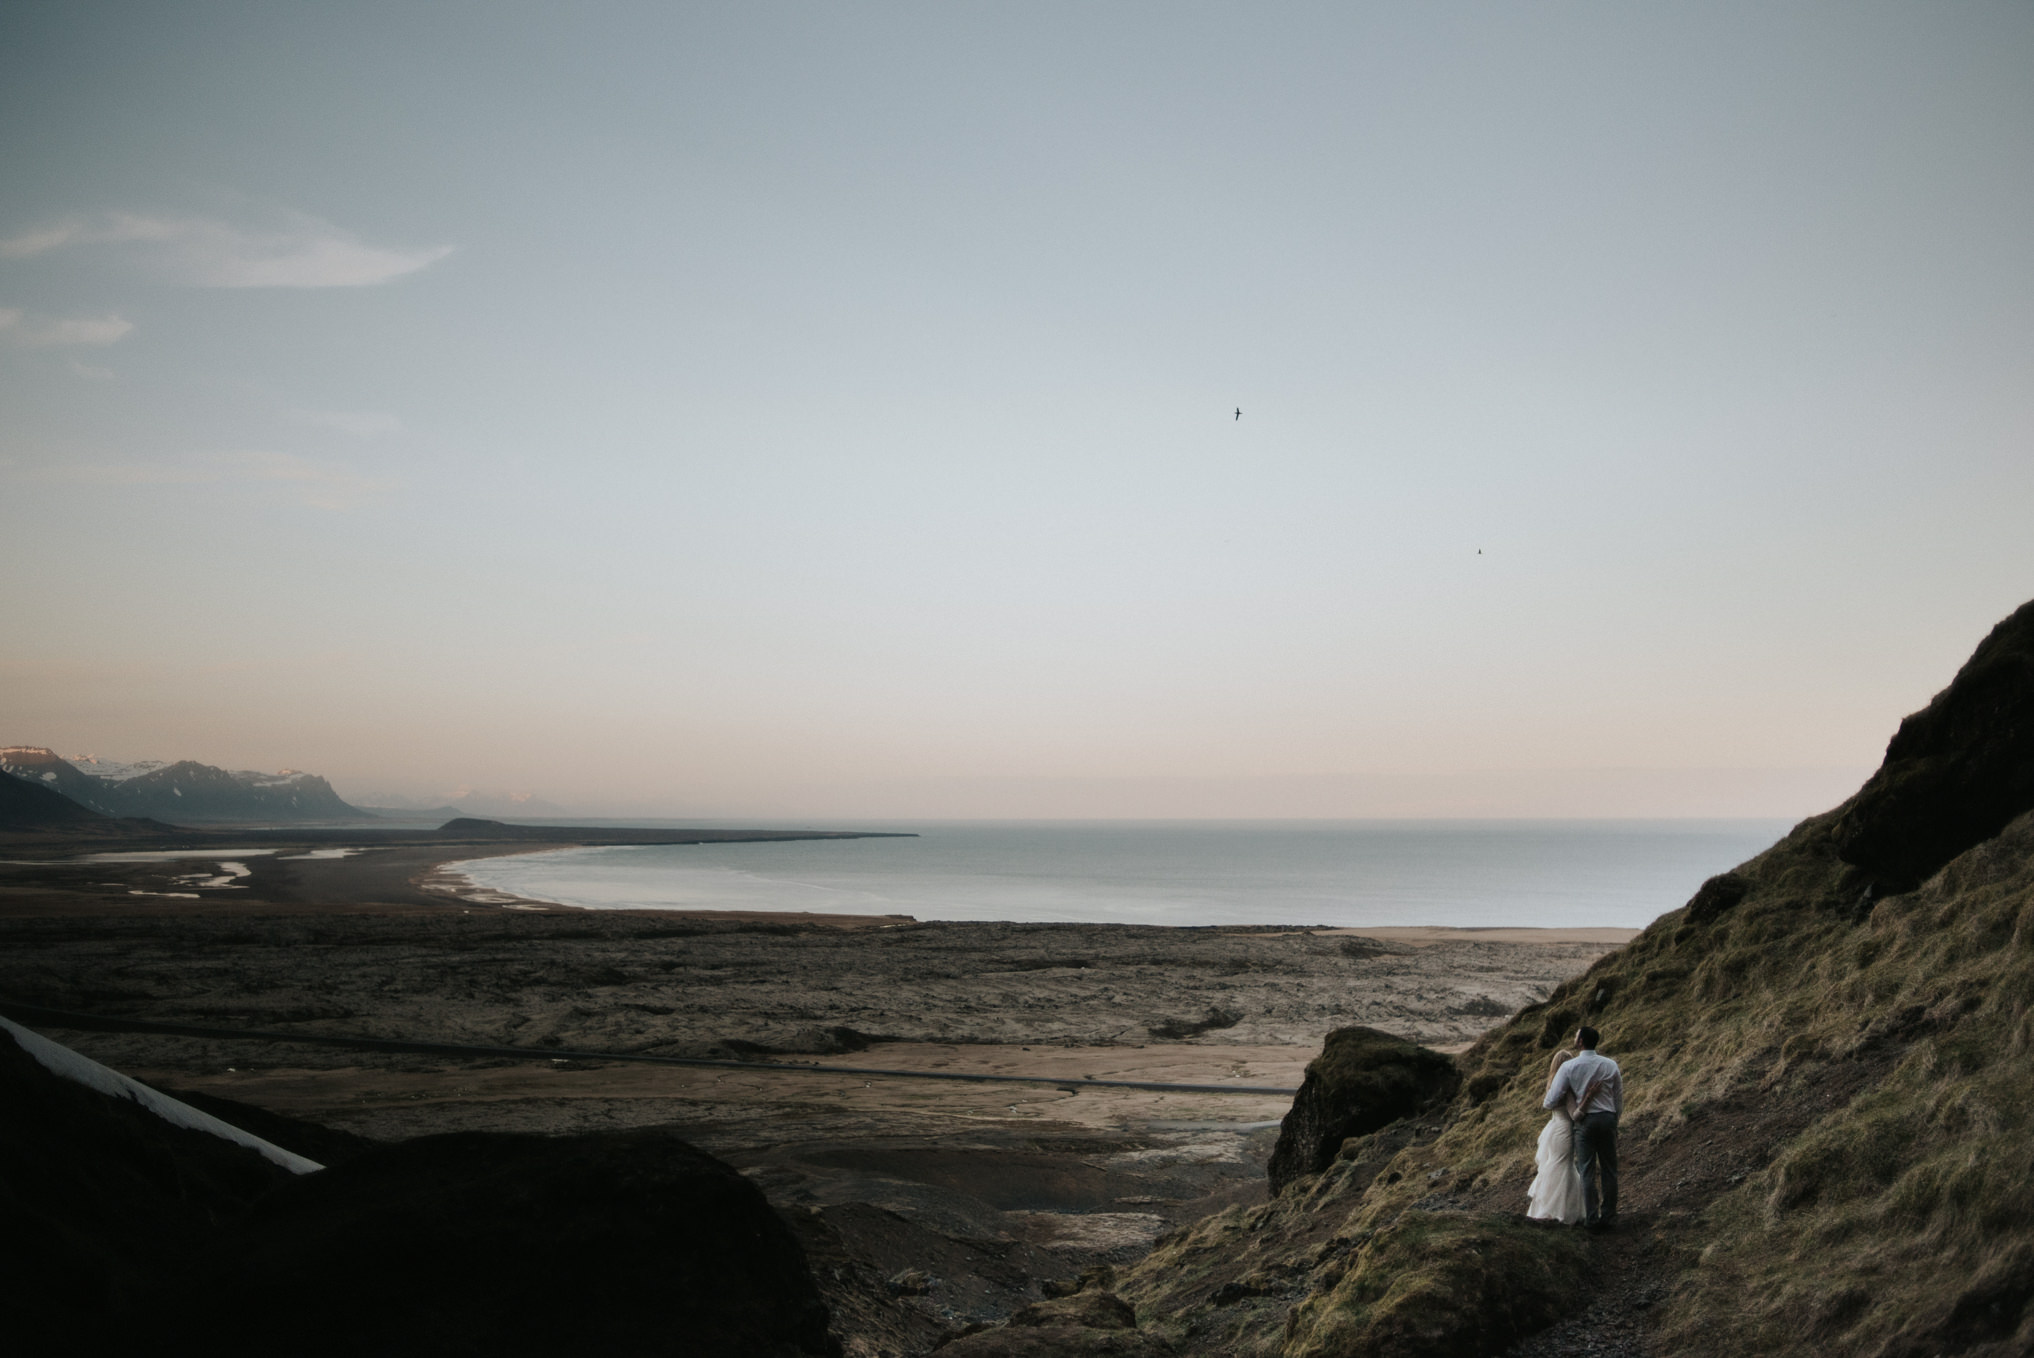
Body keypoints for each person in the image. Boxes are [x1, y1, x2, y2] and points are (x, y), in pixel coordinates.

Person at [1542, 1025, 1621, 1229]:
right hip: (1607, 1118)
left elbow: (1549, 1101)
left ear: (1580, 1042)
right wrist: (1615, 1119)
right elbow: (1617, 1097)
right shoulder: (1610, 1065)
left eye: (1576, 1036)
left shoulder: (1569, 1067)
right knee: (1609, 1170)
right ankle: (1609, 1217)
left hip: (1584, 1123)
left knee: (1586, 1170)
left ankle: (1592, 1219)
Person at [1525, 1048, 1587, 1224]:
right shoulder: (1566, 1086)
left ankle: (1550, 1208)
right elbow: (1574, 1113)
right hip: (1564, 1129)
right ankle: (1560, 1211)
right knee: (1563, 1165)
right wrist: (1588, 1100)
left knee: (1556, 1164)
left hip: (1553, 1127)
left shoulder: (1552, 1083)